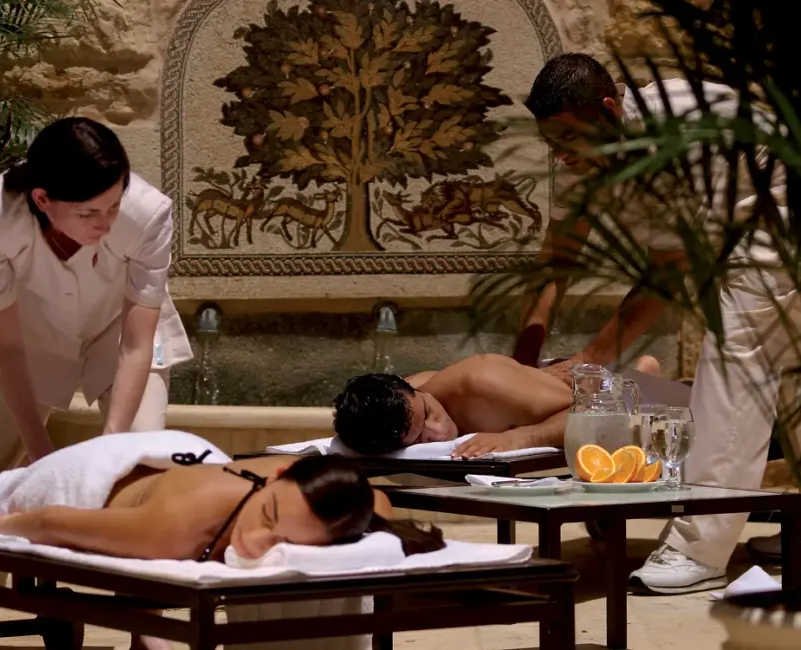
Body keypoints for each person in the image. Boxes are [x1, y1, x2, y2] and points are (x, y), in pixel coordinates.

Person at [520, 52, 788, 594]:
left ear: (609, 110)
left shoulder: (676, 138)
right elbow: (558, 258)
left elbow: (665, 276)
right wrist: (523, 360)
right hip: (733, 228)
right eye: (552, 144)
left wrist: (586, 362)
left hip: (781, 213)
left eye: (568, 140)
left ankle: (697, 548)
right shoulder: (581, 151)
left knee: (737, 358)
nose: (561, 155)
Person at [0, 118, 193, 621]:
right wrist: (41, 454)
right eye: (89, 213)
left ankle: (145, 623)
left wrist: (111, 448)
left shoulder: (149, 212)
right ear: (42, 200)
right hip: (26, 334)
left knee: (143, 460)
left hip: (117, 332)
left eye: (114, 206)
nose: (106, 223)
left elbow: (136, 343)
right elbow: (7, 348)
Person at [0, 431, 444, 650]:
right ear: (276, 475)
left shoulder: (328, 495)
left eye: (283, 540)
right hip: (99, 473)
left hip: (187, 455)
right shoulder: (172, 528)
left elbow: (378, 501)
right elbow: (52, 522)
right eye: (267, 515)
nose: (256, 542)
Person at [332, 352, 662, 457]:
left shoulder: (481, 384)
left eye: (429, 414)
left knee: (641, 378)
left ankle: (639, 370)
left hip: (600, 390)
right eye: (418, 438)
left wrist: (523, 437)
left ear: (421, 392)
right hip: (535, 384)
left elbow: (598, 409)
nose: (437, 433)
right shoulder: (387, 412)